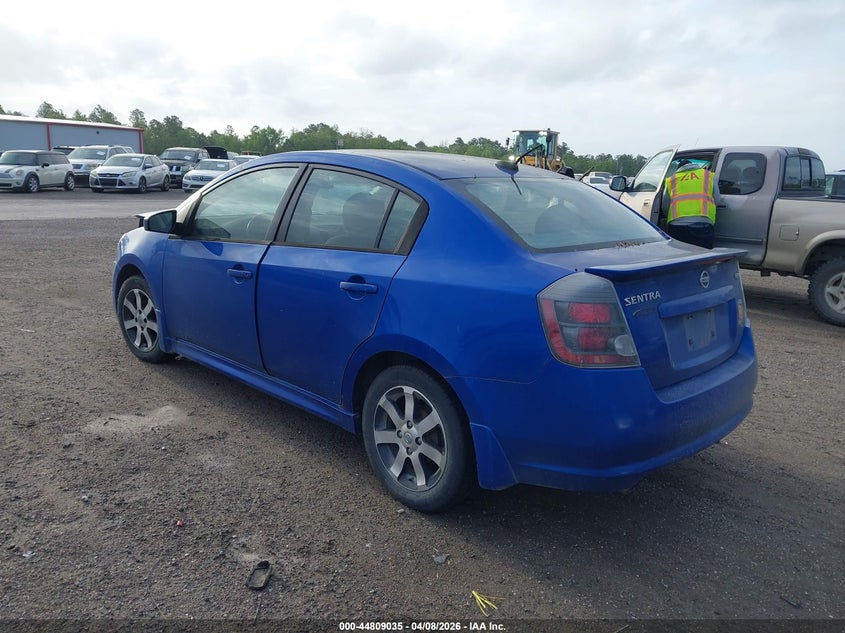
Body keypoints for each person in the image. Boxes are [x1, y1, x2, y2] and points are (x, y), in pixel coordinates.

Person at [661, 160, 719, 248]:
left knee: (680, 256)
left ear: (678, 169)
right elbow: (717, 199)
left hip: (677, 226)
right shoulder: (708, 175)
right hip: (702, 224)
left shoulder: (671, 180)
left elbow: (665, 206)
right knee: (702, 257)